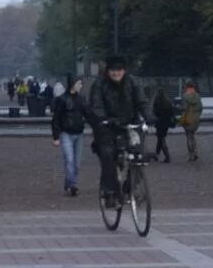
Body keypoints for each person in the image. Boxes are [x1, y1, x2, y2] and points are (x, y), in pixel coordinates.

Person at [86, 55, 144, 207]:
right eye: (113, 70)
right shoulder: (99, 84)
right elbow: (96, 105)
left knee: (138, 154)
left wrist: (149, 116)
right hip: (107, 126)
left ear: (124, 70)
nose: (116, 73)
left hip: (129, 124)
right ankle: (110, 191)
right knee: (108, 154)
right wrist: (103, 118)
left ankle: (130, 187)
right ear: (108, 71)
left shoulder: (132, 82)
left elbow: (141, 101)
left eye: (119, 70)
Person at [51, 75, 90, 195]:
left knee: (76, 163)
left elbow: (88, 114)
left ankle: (69, 183)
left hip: (78, 133)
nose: (81, 86)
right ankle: (72, 185)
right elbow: (56, 118)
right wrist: (56, 136)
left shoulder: (81, 99)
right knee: (69, 159)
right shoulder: (63, 100)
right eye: (79, 84)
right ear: (73, 84)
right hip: (66, 133)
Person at [150, 85, 177, 162]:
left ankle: (167, 156)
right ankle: (157, 154)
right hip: (166, 123)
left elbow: (155, 112)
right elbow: (171, 113)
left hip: (159, 123)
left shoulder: (157, 102)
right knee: (161, 138)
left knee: (161, 139)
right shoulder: (168, 102)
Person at [178, 79, 203, 162]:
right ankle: (195, 152)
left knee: (188, 136)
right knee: (192, 135)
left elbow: (184, 108)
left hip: (188, 117)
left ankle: (191, 155)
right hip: (196, 118)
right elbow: (200, 108)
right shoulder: (197, 96)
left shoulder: (185, 96)